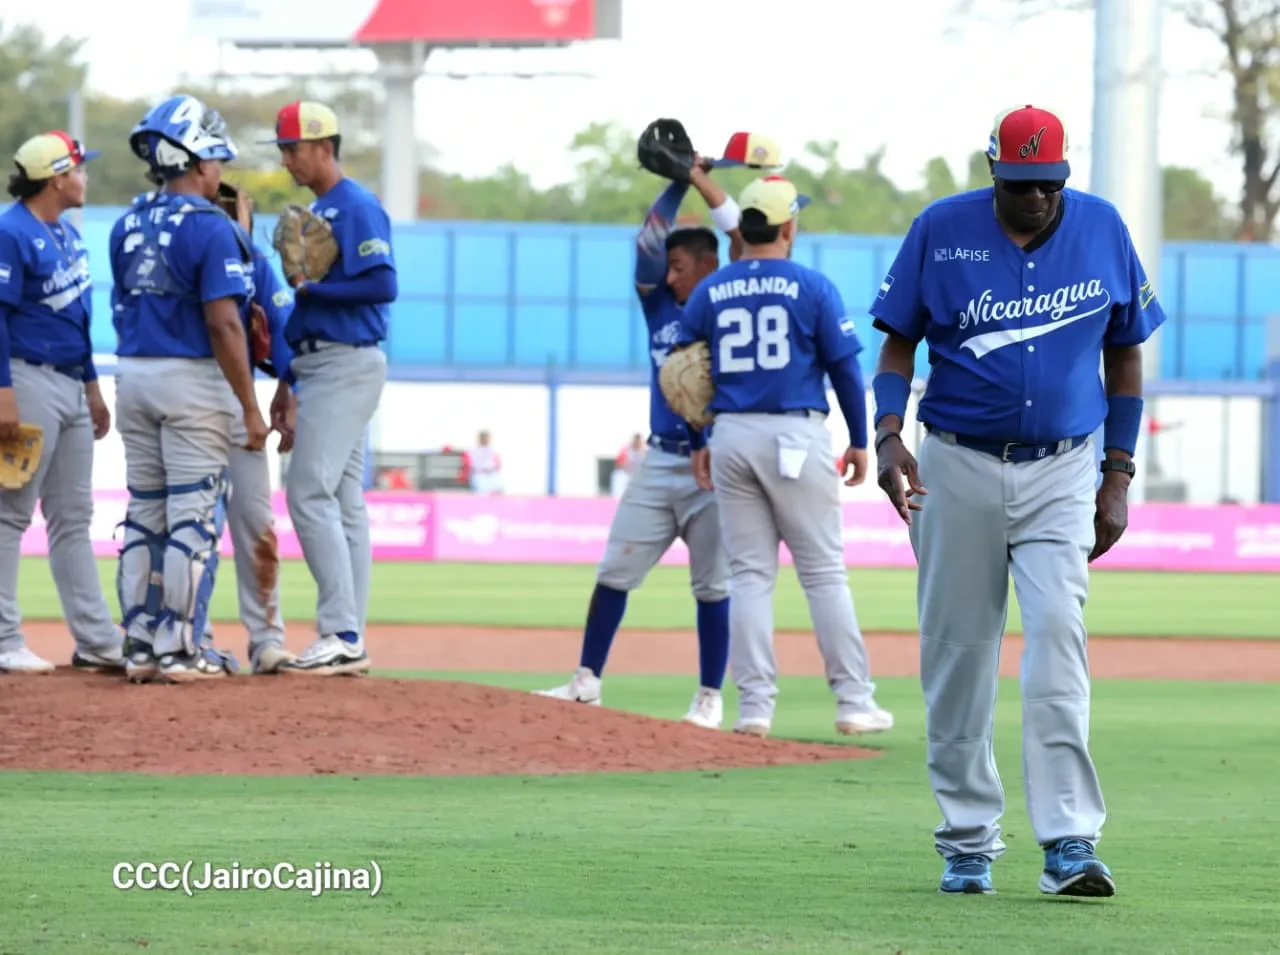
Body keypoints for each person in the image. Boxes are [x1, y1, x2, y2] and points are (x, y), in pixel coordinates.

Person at [869, 105, 1165, 897]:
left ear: (1064, 175)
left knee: (1059, 640)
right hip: (953, 465)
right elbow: (897, 339)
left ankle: (1070, 841)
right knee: (958, 656)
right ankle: (967, 840)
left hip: (1065, 469)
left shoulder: (1102, 228)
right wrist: (889, 432)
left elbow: (1126, 355)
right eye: (1018, 184)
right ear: (992, 170)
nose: (1034, 198)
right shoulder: (942, 228)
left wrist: (1117, 474)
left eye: (1047, 184)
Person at [673, 175, 893, 738]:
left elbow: (682, 371)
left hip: (730, 433)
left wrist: (700, 438)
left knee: (748, 576)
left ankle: (753, 710)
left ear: (744, 229)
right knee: (822, 573)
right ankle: (852, 701)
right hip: (794, 433)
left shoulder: (712, 290)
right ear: (788, 227)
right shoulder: (812, 286)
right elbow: (845, 368)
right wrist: (861, 439)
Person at [535, 152, 745, 729]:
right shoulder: (660, 309)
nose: (668, 274)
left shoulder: (729, 297)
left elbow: (742, 240)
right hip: (661, 461)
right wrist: (680, 183)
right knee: (614, 572)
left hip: (715, 464)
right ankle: (586, 681)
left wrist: (707, 180)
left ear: (707, 265)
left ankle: (708, 697)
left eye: (679, 266)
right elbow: (646, 243)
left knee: (712, 587)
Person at [112, 94, 269, 683]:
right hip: (190, 381)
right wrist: (250, 408)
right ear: (199, 161)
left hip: (132, 374)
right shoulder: (211, 227)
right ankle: (180, 649)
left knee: (143, 515)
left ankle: (139, 645)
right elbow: (224, 322)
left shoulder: (128, 221)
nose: (220, 172)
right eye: (217, 161)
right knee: (192, 519)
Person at [262, 101, 395, 676]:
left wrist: (312, 289)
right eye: (283, 148)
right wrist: (288, 378)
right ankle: (350, 636)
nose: (288, 158)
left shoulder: (357, 206)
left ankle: (341, 632)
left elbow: (384, 284)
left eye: (293, 147)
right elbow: (306, 311)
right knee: (343, 504)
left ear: (324, 146)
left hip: (347, 364)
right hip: (320, 364)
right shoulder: (319, 209)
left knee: (307, 493)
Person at [0, 131, 124, 675]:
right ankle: (4, 639)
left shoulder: (69, 236)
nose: (84, 176)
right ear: (56, 178)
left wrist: (93, 387)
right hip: (26, 380)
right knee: (9, 514)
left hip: (71, 382)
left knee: (74, 516)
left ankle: (97, 640)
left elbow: (75, 318)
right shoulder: (10, 231)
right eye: (78, 168)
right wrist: (2, 392)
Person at [202, 180, 297, 674]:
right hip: (191, 389)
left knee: (256, 520)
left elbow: (284, 324)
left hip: (240, 400)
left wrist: (288, 388)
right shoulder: (187, 245)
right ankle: (190, 637)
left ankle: (266, 640)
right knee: (195, 522)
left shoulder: (255, 261)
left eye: (230, 206)